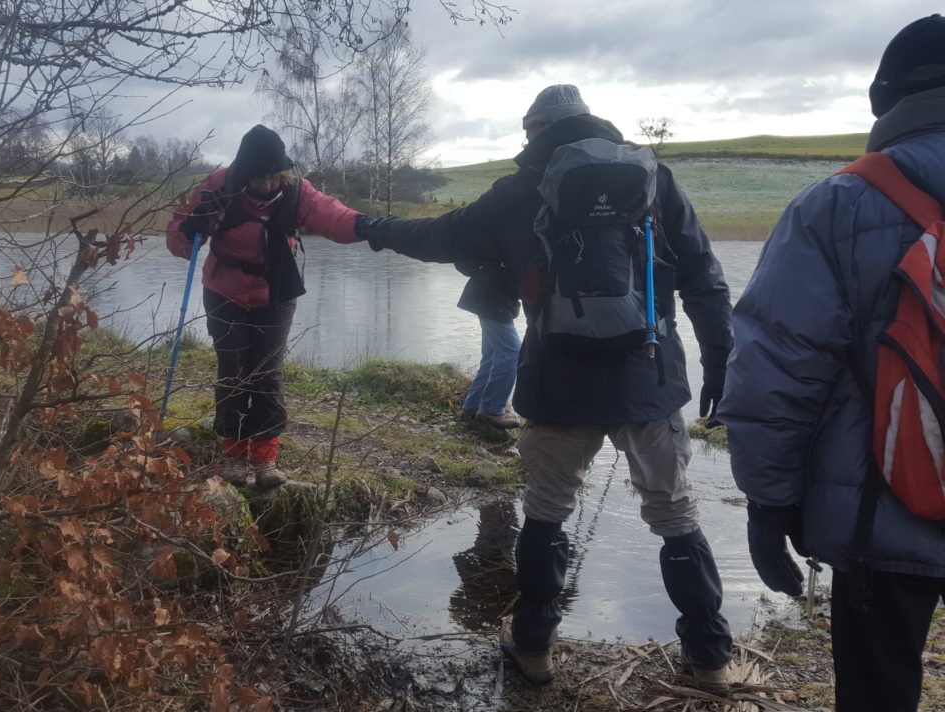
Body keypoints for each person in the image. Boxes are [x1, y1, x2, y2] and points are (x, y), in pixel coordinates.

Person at [358, 85, 734, 690]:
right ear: (593, 123)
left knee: (546, 514)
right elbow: (702, 274)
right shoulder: (651, 177)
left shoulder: (520, 189)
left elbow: (434, 238)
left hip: (559, 377)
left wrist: (366, 225)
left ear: (535, 131)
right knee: (674, 513)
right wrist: (720, 359)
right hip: (651, 374)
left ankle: (534, 648)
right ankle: (712, 659)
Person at [718, 15, 945, 712]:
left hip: (888, 510)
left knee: (879, 691)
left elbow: (778, 370)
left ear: (886, 100)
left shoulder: (840, 204)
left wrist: (770, 499)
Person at [166, 124, 365, 488]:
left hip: (275, 292)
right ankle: (234, 456)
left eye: (275, 177)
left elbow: (331, 215)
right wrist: (192, 226)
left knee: (267, 374)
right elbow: (179, 240)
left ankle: (265, 460)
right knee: (233, 372)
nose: (269, 185)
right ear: (245, 174)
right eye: (261, 179)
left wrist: (368, 227)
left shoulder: (296, 191)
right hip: (224, 291)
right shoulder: (219, 186)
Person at [455, 260, 521, 429]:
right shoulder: (516, 238)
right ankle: (491, 410)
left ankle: (472, 407)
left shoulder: (506, 238)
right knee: (512, 353)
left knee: (493, 355)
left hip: (488, 296)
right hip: (493, 298)